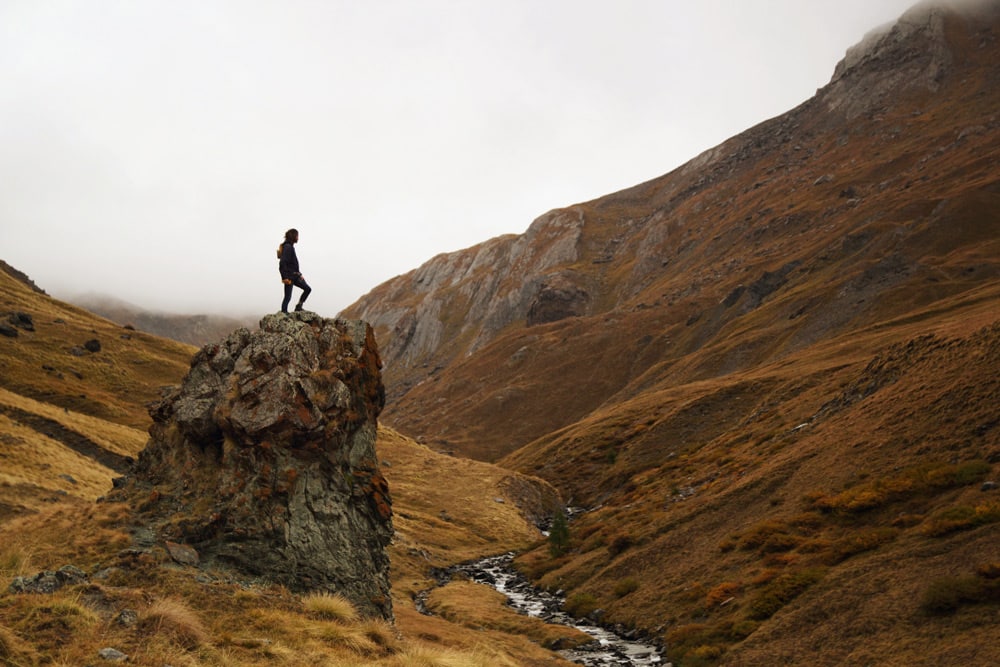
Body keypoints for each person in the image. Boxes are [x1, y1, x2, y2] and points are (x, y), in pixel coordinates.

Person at [277, 228, 312, 313]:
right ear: (293, 236)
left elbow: (292, 264)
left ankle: (298, 306)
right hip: (289, 277)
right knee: (287, 297)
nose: (298, 238)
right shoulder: (288, 247)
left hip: (295, 276)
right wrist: (284, 277)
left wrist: (299, 274)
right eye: (297, 236)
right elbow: (282, 263)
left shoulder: (289, 247)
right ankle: (284, 313)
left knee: (307, 289)